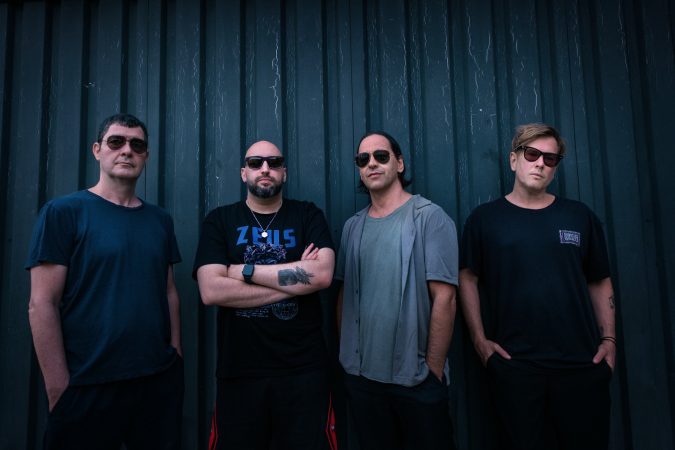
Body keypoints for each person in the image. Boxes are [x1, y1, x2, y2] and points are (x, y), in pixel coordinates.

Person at [26, 113, 184, 450]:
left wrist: (175, 355)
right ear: (97, 150)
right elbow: (41, 304)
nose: (127, 150)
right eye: (116, 142)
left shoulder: (160, 220)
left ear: (146, 156)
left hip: (155, 382)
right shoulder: (63, 212)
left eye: (137, 145)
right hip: (87, 385)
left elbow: (169, 290)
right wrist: (58, 389)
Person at [459, 123, 616, 450]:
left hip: (581, 365)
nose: (540, 163)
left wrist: (609, 342)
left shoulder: (579, 217)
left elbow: (599, 280)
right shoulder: (485, 219)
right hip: (515, 367)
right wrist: (479, 341)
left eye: (550, 158)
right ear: (513, 159)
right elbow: (468, 278)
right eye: (531, 154)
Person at [193, 140, 336, 450]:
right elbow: (211, 290)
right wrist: (295, 282)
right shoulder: (220, 220)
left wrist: (244, 271)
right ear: (243, 173)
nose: (265, 169)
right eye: (256, 163)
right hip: (239, 371)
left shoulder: (307, 215)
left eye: (274, 162)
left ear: (284, 172)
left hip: (303, 371)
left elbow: (322, 275)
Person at [335, 131, 458, 450]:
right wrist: (349, 359)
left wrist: (432, 371)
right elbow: (344, 296)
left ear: (399, 163)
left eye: (381, 156)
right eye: (363, 159)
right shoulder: (352, 227)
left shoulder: (429, 218)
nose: (372, 163)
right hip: (363, 381)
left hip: (416, 381)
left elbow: (445, 298)